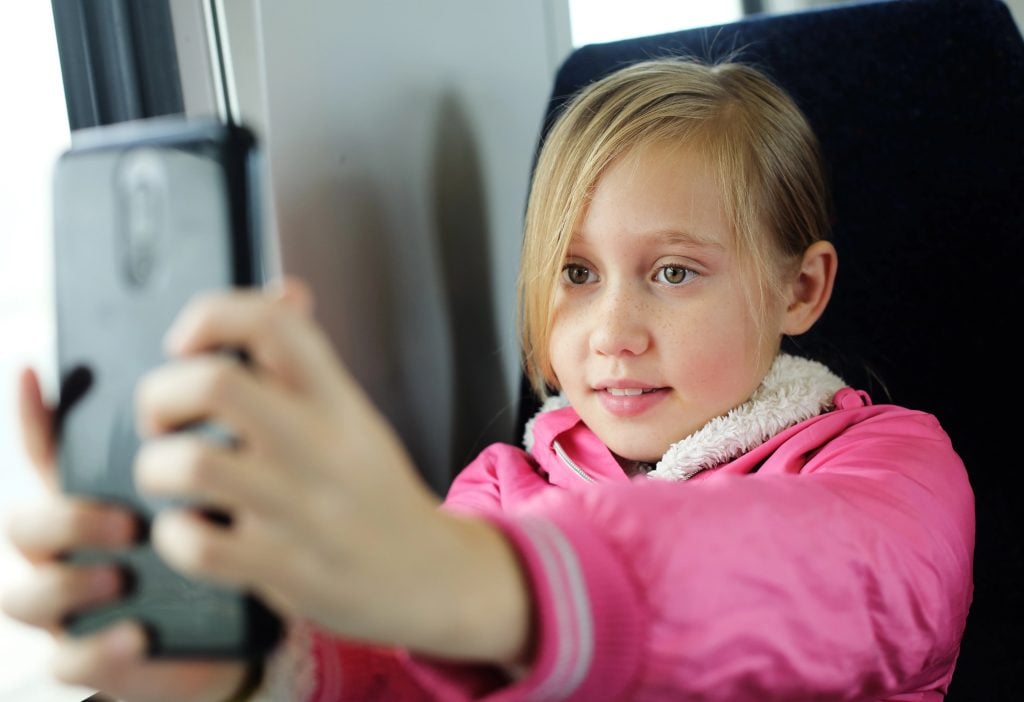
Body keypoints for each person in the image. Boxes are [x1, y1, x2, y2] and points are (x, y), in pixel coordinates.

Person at [1, 57, 974, 701]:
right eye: (576, 274)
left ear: (798, 288)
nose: (612, 332)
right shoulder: (504, 485)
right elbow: (399, 665)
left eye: (673, 273)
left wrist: (480, 577)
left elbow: (826, 578)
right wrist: (243, 664)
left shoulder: (893, 468)